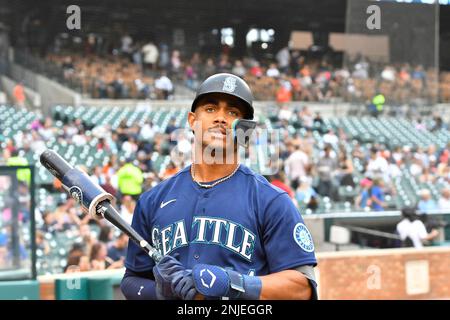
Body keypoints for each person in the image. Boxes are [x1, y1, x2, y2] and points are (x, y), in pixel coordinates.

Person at [121, 73, 318, 300]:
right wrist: (158, 293)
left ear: (245, 130)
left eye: (233, 113)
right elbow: (131, 279)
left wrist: (232, 283)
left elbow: (302, 288)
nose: (221, 119)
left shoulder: (271, 201)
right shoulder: (153, 200)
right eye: (211, 109)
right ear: (192, 120)